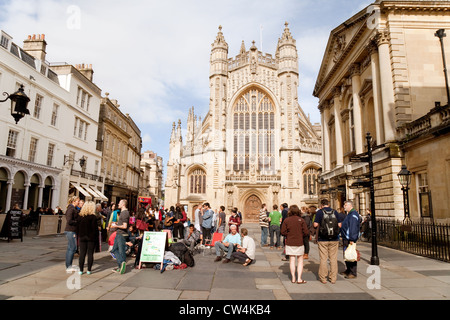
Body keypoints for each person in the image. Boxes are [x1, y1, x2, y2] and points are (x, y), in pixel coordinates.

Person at [313, 199, 343, 284]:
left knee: (323, 259)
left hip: (323, 239)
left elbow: (315, 224)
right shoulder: (335, 212)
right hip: (334, 239)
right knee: (333, 259)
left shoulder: (319, 212)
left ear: (322, 205)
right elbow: (339, 225)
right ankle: (333, 278)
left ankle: (323, 278)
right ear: (329, 204)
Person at [281, 205, 310, 284]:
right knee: (300, 260)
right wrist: (300, 235)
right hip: (299, 242)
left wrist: (289, 234)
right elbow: (306, 232)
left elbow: (282, 232)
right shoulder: (301, 220)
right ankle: (299, 278)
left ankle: (293, 277)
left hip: (290, 242)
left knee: (292, 260)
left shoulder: (287, 220)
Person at [341, 200, 362, 279]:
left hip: (349, 238)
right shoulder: (349, 214)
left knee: (351, 255)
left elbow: (353, 227)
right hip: (346, 237)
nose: (344, 207)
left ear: (350, 206)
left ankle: (353, 272)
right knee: (347, 254)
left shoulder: (353, 215)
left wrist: (352, 239)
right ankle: (348, 270)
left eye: (346, 205)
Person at [77, 201, 99, 275]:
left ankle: (81, 270)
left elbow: (77, 227)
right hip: (91, 238)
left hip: (82, 237)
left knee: (82, 254)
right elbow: (95, 229)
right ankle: (89, 270)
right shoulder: (93, 217)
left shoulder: (80, 216)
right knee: (90, 254)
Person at [110, 199, 129, 274]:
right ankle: (120, 266)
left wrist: (116, 225)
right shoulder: (123, 212)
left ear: (123, 204)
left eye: (119, 203)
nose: (118, 204)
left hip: (121, 233)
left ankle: (121, 263)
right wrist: (117, 223)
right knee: (115, 250)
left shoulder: (124, 213)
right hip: (120, 233)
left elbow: (125, 226)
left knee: (118, 250)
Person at [64, 196, 80, 272]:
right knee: (72, 248)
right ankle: (68, 266)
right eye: (78, 201)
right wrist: (78, 222)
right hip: (71, 230)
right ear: (74, 201)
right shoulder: (71, 209)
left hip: (72, 230)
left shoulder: (73, 209)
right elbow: (69, 220)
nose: (78, 202)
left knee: (70, 248)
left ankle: (68, 265)